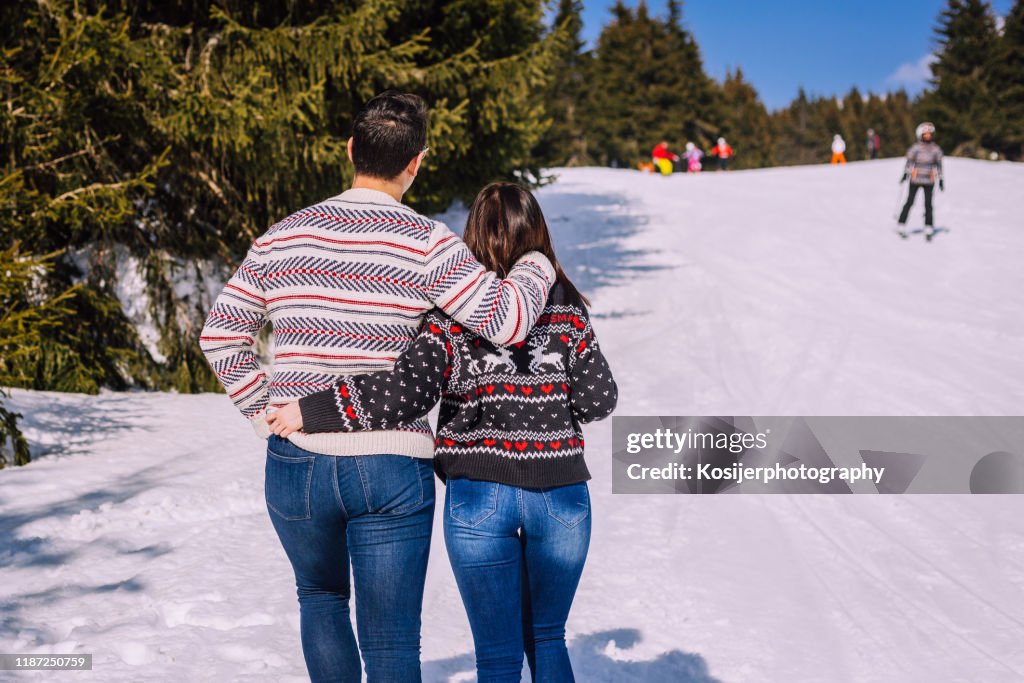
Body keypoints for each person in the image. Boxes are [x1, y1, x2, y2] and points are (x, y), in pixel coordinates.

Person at [199, 91, 556, 683]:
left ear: (350, 151)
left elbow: (220, 335)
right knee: (391, 642)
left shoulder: (284, 235)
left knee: (320, 599)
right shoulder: (428, 242)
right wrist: (536, 262)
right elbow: (509, 321)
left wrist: (265, 411)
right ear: (416, 162)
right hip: (392, 461)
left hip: (296, 458)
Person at [269, 182, 618, 682]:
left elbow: (406, 392)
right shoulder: (566, 308)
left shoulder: (455, 311)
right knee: (547, 636)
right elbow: (598, 400)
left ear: (473, 236)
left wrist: (315, 409)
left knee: (497, 657)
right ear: (538, 233)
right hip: (561, 495)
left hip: (478, 496)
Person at [898, 121, 945, 238]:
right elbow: (909, 161)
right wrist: (906, 173)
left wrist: (941, 179)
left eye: (929, 134)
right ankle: (901, 223)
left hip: (929, 180)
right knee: (910, 202)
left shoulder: (935, 149)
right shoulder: (916, 148)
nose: (928, 136)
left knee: (928, 204)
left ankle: (928, 226)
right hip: (915, 179)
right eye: (925, 134)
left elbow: (939, 165)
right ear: (921, 135)